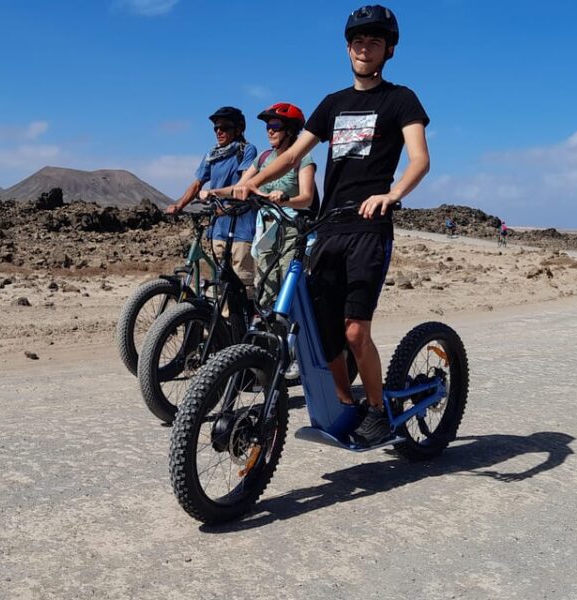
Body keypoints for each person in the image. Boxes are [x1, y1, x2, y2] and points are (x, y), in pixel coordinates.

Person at [234, 5, 430, 447]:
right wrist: (247, 183)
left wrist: (391, 195)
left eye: (374, 42)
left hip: (370, 227)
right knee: (323, 337)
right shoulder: (332, 104)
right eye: (359, 42)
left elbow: (420, 159)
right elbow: (288, 157)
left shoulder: (400, 99)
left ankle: (379, 412)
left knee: (355, 330)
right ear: (348, 48)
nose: (365, 48)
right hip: (329, 229)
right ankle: (348, 406)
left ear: (388, 50)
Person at [204, 102, 316, 307]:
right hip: (266, 231)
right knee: (265, 287)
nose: (270, 131)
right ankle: (267, 335)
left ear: (291, 131)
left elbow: (307, 198)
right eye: (268, 127)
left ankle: (292, 334)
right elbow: (241, 186)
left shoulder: (303, 158)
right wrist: (213, 193)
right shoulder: (264, 158)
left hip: (292, 230)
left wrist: (286, 199)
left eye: (276, 126)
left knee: (288, 288)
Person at [166, 107, 258, 296]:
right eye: (215, 128)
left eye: (224, 127)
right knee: (220, 281)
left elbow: (243, 185)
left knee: (242, 282)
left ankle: (243, 323)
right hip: (218, 228)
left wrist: (225, 206)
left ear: (238, 129)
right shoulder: (212, 155)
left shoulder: (246, 150)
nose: (218, 132)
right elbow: (197, 183)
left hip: (241, 227)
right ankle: (222, 323)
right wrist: (179, 205)